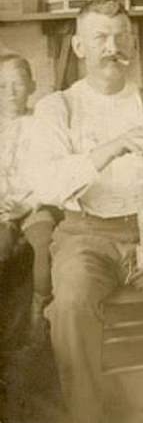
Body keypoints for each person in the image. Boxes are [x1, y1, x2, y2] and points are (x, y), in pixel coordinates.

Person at [27, 0, 143, 423]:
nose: (113, 47)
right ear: (78, 47)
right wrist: (113, 147)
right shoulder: (57, 109)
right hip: (84, 234)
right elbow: (47, 185)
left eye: (121, 37)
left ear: (132, 44)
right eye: (100, 38)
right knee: (70, 302)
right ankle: (86, 415)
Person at [0, 54, 57, 346]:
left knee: (45, 243)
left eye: (17, 84)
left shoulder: (42, 125)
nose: (9, 92)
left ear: (32, 86)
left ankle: (40, 312)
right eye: (1, 86)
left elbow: (50, 173)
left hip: (35, 203)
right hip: (3, 209)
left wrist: (29, 203)